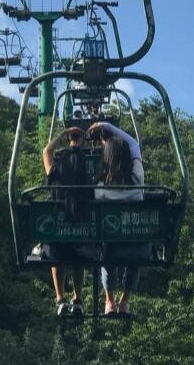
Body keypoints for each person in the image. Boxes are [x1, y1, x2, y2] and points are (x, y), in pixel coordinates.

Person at [86, 122, 150, 316]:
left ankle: (109, 300)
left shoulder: (100, 188)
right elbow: (134, 145)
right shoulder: (136, 178)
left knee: (105, 253)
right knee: (135, 253)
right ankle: (125, 301)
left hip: (111, 249)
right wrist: (107, 126)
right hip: (138, 247)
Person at [42, 126, 89, 316]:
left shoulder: (55, 171)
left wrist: (64, 134)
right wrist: (84, 139)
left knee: (56, 258)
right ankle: (77, 298)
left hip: (58, 226)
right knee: (78, 259)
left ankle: (60, 298)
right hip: (81, 225)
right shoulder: (86, 174)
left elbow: (46, 151)